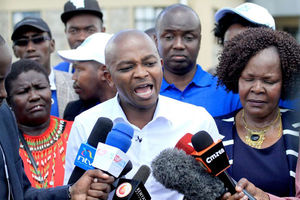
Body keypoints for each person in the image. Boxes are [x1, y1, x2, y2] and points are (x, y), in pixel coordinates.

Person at [64, 29, 221, 200]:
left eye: (149, 63)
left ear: (161, 65)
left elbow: (217, 190)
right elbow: (72, 190)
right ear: (109, 77)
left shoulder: (197, 120)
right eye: (127, 67)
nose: (141, 73)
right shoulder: (85, 124)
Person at [0, 33, 114, 200]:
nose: (2, 93)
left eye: (40, 87)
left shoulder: (3, 118)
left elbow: (21, 194)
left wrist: (70, 192)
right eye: (23, 91)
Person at [215, 27, 300, 197]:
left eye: (269, 81)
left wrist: (266, 198)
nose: (257, 88)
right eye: (249, 79)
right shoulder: (214, 129)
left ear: (285, 82)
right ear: (236, 78)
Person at [155, 4, 241, 117]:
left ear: (199, 41)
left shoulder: (229, 92)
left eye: (189, 38)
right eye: (169, 37)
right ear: (156, 41)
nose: (179, 45)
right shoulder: (144, 93)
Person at [4, 59, 72, 188]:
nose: (34, 96)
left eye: (40, 88)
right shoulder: (6, 145)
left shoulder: (75, 131)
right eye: (23, 92)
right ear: (9, 102)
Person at [11, 16, 78, 118]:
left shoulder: (75, 84)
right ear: (14, 50)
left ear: (52, 45)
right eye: (22, 42)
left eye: (38, 40)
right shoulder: (5, 91)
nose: (30, 48)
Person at [58, 33, 117, 121]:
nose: (73, 77)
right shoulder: (74, 111)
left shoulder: (135, 110)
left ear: (105, 72)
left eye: (79, 69)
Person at [55, 0, 105, 73]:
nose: (82, 37)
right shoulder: (58, 73)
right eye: (74, 31)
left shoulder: (117, 69)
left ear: (103, 31)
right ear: (65, 32)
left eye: (90, 30)